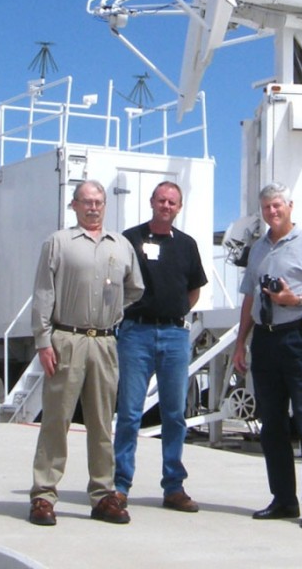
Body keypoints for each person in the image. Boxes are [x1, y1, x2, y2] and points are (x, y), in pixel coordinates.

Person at [29, 180, 144, 527]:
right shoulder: (59, 243)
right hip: (67, 339)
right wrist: (43, 340)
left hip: (105, 343)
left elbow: (134, 288)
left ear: (105, 206)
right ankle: (44, 495)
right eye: (86, 202)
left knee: (102, 423)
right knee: (56, 420)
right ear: (74, 206)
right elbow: (43, 293)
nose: (93, 208)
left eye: (98, 202)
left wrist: (110, 312)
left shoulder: (121, 246)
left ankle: (103, 494)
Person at [232, 182, 302, 531]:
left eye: (277, 205)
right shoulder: (259, 248)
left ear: (290, 206)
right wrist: (240, 343)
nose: (272, 212)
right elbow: (249, 297)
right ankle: (283, 499)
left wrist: (298, 300)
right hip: (266, 340)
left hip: (300, 336)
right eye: (266, 208)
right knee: (272, 425)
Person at [114, 181, 207, 513]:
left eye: (173, 202)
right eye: (161, 200)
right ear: (151, 202)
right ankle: (120, 486)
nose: (166, 206)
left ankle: (174, 487)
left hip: (174, 337)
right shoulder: (130, 238)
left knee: (174, 414)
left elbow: (193, 291)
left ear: (179, 208)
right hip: (135, 335)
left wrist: (175, 312)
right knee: (129, 413)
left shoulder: (187, 245)